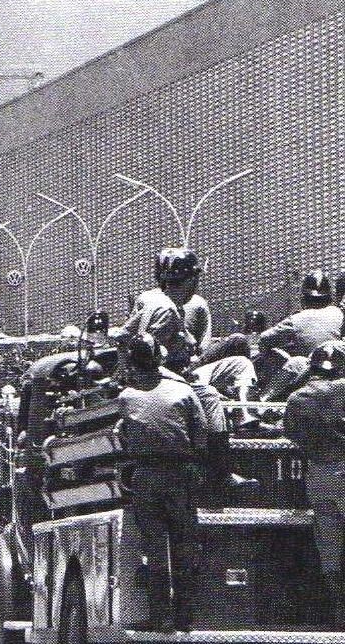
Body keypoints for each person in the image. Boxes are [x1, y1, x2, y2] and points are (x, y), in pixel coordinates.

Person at [114, 247, 257, 490]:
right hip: (166, 378)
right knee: (209, 396)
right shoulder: (167, 310)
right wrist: (176, 380)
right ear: (189, 280)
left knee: (239, 364)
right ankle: (221, 473)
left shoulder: (158, 302)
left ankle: (246, 416)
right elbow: (147, 356)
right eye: (195, 278)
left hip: (179, 371)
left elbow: (121, 336)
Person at [117, 333, 205, 633]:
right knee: (184, 545)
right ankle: (185, 616)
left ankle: (161, 617)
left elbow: (124, 436)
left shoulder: (126, 397)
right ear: (160, 359)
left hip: (146, 476)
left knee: (155, 549)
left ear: (132, 362)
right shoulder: (184, 391)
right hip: (180, 473)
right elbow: (201, 433)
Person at [285, 340, 345, 628]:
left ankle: (340, 615)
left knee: (330, 549)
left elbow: (291, 434)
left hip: (319, 473)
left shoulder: (298, 397)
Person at [257, 270, 343, 400]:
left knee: (293, 361)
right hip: (338, 375)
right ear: (329, 297)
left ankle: (264, 401)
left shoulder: (296, 319)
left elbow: (263, 340)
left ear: (303, 298)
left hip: (310, 375)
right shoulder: (339, 314)